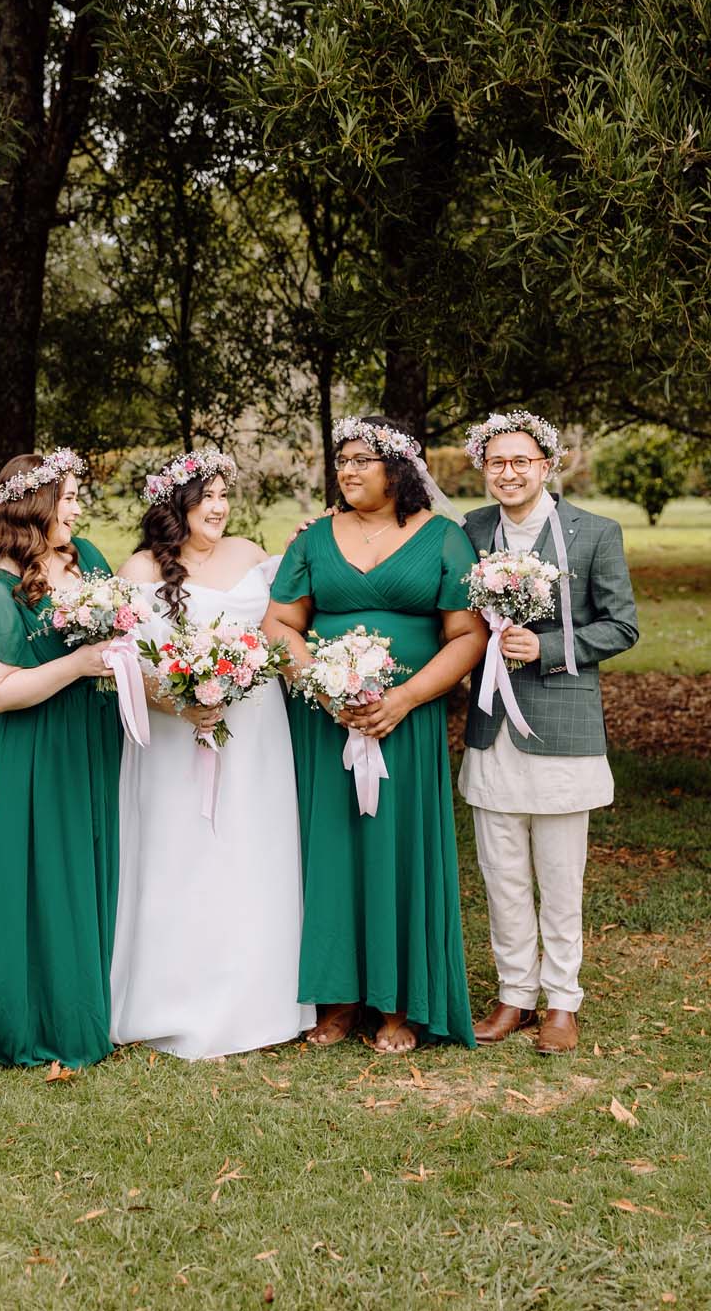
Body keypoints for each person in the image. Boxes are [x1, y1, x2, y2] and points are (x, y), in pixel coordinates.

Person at [263, 416, 487, 1055]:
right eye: (342, 461)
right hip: (325, 720)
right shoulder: (313, 539)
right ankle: (336, 999)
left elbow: (467, 634)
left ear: (399, 469)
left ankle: (401, 1004)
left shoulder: (443, 538)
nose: (349, 471)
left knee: (398, 850)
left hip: (405, 723)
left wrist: (405, 698)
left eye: (363, 459)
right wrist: (322, 686)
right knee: (330, 851)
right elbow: (280, 621)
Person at [109, 448, 314, 1060]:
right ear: (177, 506)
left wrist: (311, 539)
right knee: (183, 853)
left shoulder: (253, 553)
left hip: (256, 732)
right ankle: (174, 1002)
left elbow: (290, 614)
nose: (219, 508)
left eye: (225, 495)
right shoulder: (143, 570)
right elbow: (126, 663)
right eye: (206, 498)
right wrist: (181, 704)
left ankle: (262, 1002)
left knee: (254, 848)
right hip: (176, 738)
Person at [458, 411, 639, 1054]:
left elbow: (622, 626)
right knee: (501, 870)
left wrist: (548, 647)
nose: (508, 473)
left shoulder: (593, 533)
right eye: (496, 463)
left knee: (561, 876)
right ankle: (514, 995)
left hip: (562, 724)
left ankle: (562, 1001)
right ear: (485, 468)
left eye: (521, 462)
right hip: (492, 728)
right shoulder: (471, 530)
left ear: (546, 464)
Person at [0, 449, 122, 1069]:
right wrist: (78, 663)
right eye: (71, 497)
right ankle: (34, 1021)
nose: (80, 508)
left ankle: (87, 1004)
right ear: (38, 505)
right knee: (40, 873)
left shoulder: (89, 560)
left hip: (88, 737)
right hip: (31, 748)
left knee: (84, 867)